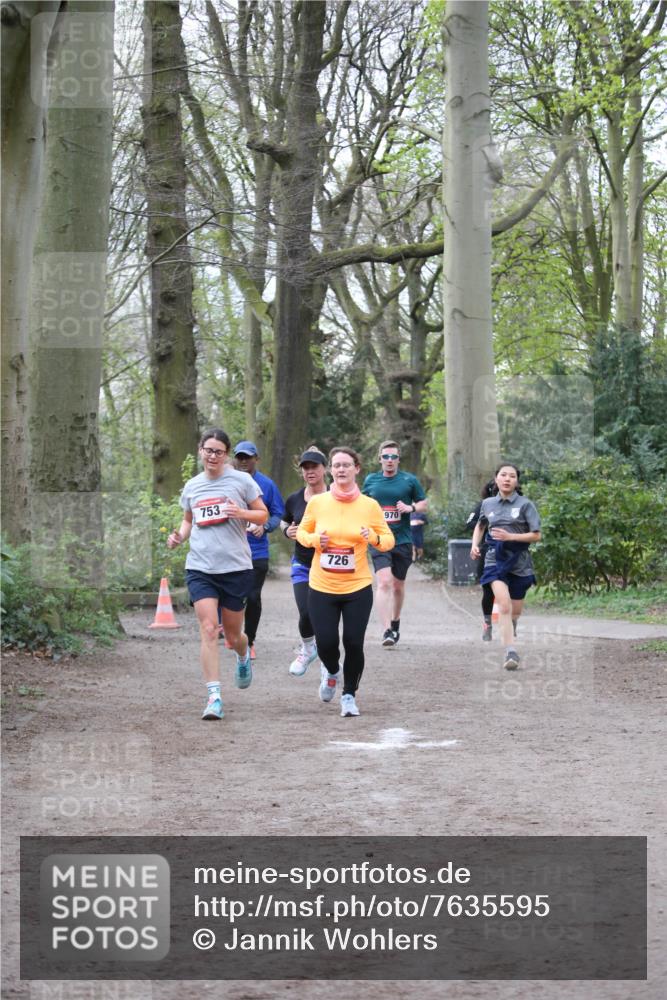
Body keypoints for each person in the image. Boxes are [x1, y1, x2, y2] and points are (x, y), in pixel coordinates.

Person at [167, 428, 268, 720]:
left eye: (219, 452)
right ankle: (214, 697)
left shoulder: (241, 481)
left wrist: (242, 513)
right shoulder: (192, 486)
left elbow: (261, 514)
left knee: (234, 635)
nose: (213, 456)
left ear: (226, 455)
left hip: (235, 568)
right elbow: (188, 521)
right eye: (208, 450)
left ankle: (242, 652)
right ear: (201, 451)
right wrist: (178, 538)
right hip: (201, 567)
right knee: (209, 628)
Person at [296, 446, 394, 717]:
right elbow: (302, 533)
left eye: (346, 465)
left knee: (353, 642)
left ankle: (349, 695)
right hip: (322, 586)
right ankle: (331, 671)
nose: (341, 469)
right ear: (330, 470)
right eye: (336, 465)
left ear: (356, 469)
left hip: (357, 587)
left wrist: (371, 537)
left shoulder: (369, 506)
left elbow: (388, 540)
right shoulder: (317, 503)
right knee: (327, 643)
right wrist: (316, 540)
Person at [470, 463, 541, 671]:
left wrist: (511, 537)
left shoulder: (526, 505)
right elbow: (480, 526)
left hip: (519, 561)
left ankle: (511, 625)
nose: (507, 479)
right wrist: (475, 545)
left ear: (516, 481)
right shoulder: (488, 504)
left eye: (512, 476)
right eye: (503, 475)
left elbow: (537, 535)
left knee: (515, 611)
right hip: (494, 559)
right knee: (504, 605)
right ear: (496, 479)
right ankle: (511, 651)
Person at [361, 440, 427, 646]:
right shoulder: (371, 480)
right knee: (384, 582)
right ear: (380, 459)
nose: (390, 460)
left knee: (398, 586)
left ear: (399, 459)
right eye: (386, 457)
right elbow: (361, 503)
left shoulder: (409, 480)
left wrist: (411, 508)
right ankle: (386, 630)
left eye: (394, 457)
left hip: (403, 540)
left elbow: (424, 504)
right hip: (379, 539)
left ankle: (395, 621)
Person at [232, 440, 284, 659]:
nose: (244, 461)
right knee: (232, 595)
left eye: (248, 457)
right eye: (240, 457)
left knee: (253, 597)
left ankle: (249, 641)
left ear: (256, 459)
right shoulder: (227, 483)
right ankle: (233, 635)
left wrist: (265, 526)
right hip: (231, 550)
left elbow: (277, 513)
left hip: (257, 551)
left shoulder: (267, 485)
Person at [281, 446, 328, 677]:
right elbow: (283, 521)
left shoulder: (335, 496)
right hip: (302, 563)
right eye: (305, 467)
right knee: (305, 611)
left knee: (326, 616)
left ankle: (328, 660)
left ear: (324, 469)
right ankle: (309, 649)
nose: (310, 471)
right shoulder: (294, 499)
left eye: (314, 467)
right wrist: (286, 531)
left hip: (329, 565)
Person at [466, 480, 497, 641]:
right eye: (494, 489)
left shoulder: (518, 505)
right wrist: (484, 527)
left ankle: (510, 623)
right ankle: (487, 624)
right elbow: (470, 522)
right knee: (488, 590)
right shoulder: (484, 505)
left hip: (510, 551)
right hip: (486, 548)